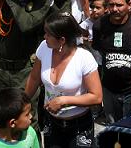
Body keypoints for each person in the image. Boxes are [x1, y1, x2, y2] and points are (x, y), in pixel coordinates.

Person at [25, 12, 102, 148]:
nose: (45, 37)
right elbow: (34, 77)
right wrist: (23, 102)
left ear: (62, 40)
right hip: (51, 123)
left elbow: (96, 97)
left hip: (79, 126)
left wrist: (64, 101)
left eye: (48, 34)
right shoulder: (44, 47)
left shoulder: (84, 58)